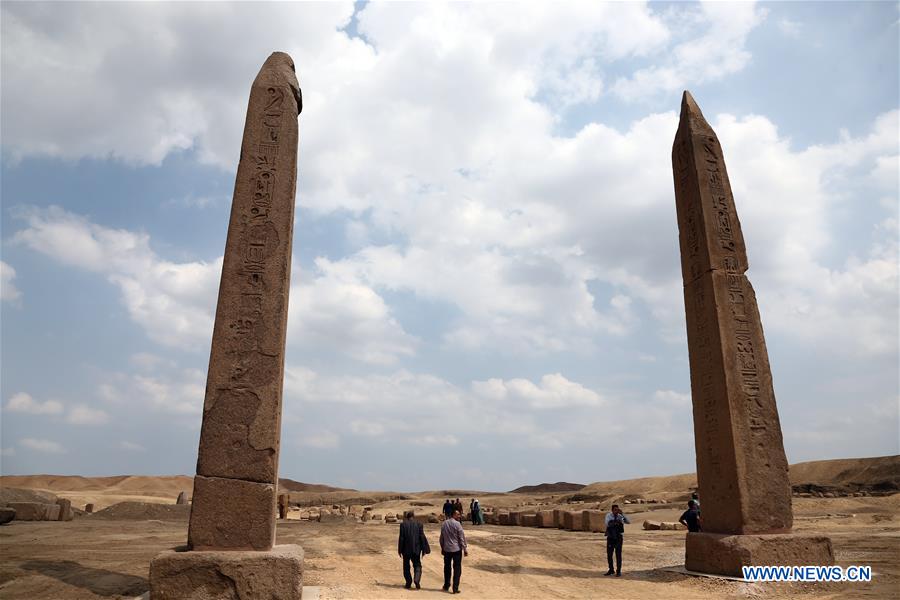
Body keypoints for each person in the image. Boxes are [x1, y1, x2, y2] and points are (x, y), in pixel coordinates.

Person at [398, 510, 430, 589]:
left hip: (406, 550)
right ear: (413, 516)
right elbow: (422, 537)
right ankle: (417, 580)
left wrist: (399, 550)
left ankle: (408, 582)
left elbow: (401, 538)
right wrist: (424, 549)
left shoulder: (403, 525)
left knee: (406, 566)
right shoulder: (419, 524)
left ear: (407, 517)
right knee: (417, 565)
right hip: (416, 549)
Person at [439, 509, 468, 593]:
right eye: (458, 514)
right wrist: (464, 549)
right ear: (453, 515)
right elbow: (461, 538)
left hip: (447, 549)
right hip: (456, 550)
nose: (459, 516)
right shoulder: (457, 524)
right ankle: (455, 588)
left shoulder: (444, 523)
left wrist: (442, 547)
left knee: (447, 568)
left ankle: (446, 585)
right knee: (457, 569)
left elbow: (442, 538)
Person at [604, 504, 630, 577]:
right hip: (611, 536)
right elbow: (607, 524)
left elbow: (628, 522)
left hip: (618, 537)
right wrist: (615, 522)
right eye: (615, 510)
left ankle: (618, 571)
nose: (616, 511)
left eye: (617, 510)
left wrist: (622, 514)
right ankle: (611, 569)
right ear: (612, 510)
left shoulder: (620, 516)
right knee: (609, 554)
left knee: (618, 555)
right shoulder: (608, 516)